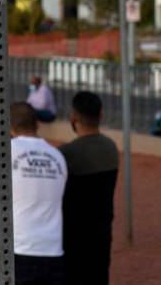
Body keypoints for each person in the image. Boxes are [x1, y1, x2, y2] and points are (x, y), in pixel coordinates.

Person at [0, 103, 67, 285]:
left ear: (8, 127)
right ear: (38, 124)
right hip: (53, 250)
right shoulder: (57, 155)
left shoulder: (4, 150)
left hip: (19, 251)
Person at [60, 91, 118, 285]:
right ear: (101, 116)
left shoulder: (66, 153)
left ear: (73, 117)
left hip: (73, 235)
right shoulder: (111, 147)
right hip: (102, 232)